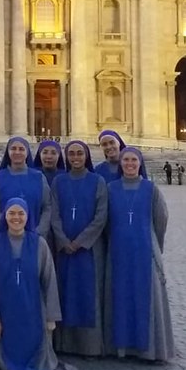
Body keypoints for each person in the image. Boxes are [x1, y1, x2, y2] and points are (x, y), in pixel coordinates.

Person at [0, 198, 78, 370]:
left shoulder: (39, 244)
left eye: (21, 213)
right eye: (12, 213)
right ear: (5, 217)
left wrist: (50, 318)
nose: (16, 218)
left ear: (28, 217)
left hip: (33, 311)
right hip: (6, 312)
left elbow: (49, 281)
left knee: (37, 354)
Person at [104, 147, 174, 363]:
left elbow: (161, 219)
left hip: (145, 250)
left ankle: (150, 349)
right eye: (126, 160)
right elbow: (104, 220)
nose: (130, 164)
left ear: (140, 163)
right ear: (120, 163)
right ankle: (122, 348)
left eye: (134, 160)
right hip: (118, 251)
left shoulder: (151, 189)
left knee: (148, 296)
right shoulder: (110, 188)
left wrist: (155, 245)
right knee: (120, 296)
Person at [52, 140, 108, 357]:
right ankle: (64, 344)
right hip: (64, 247)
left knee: (88, 293)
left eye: (79, 153)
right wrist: (63, 240)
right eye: (72, 154)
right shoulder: (59, 181)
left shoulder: (98, 181)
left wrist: (81, 241)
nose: (75, 157)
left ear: (86, 156)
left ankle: (89, 346)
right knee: (64, 292)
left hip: (88, 249)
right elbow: (53, 212)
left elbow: (100, 216)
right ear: (66, 157)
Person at [0, 136, 55, 237]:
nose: (17, 152)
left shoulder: (39, 177)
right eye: (13, 149)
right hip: (4, 236)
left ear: (27, 152)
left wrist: (40, 231)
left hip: (35, 236)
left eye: (21, 149)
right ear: (8, 152)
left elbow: (47, 207)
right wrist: (8, 229)